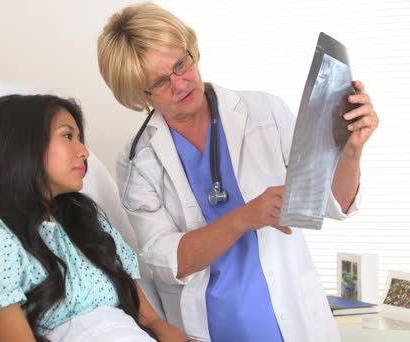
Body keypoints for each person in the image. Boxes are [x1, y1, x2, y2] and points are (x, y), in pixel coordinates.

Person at [97, 3, 378, 342]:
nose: (180, 83)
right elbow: (168, 263)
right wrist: (245, 217)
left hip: (294, 322)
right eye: (160, 81)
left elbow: (331, 204)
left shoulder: (265, 112)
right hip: (209, 329)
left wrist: (352, 150)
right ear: (139, 94)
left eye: (181, 64)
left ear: (191, 50)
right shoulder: (137, 161)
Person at [0, 94, 191, 342]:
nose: (84, 152)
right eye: (68, 136)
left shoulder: (90, 227)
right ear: (27, 144)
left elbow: (151, 321)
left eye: (79, 139)